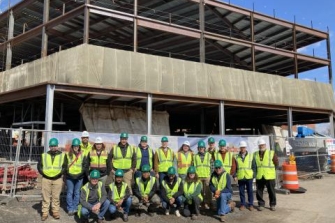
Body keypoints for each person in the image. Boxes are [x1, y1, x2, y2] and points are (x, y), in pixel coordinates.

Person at [38, 138, 68, 221]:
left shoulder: (62, 155)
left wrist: (60, 173)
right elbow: (39, 166)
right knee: (45, 196)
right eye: (51, 146)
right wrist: (43, 173)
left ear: (57, 146)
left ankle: (55, 212)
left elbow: (65, 166)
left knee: (56, 197)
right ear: (49, 146)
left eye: (55, 146)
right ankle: (45, 213)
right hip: (46, 179)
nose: (53, 147)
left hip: (57, 179)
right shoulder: (44, 155)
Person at [253, 139, 278, 211]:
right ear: (258, 146)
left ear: (265, 145)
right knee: (259, 191)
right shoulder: (255, 154)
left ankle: (272, 204)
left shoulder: (271, 153)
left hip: (269, 176)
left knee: (271, 191)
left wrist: (271, 171)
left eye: (262, 145)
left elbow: (276, 163)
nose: (261, 146)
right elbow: (254, 165)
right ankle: (261, 204)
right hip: (260, 175)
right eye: (260, 145)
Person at [234, 141, 256, 211]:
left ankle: (251, 204)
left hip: (249, 176)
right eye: (241, 147)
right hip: (240, 176)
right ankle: (243, 204)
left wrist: (253, 174)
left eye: (243, 147)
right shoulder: (236, 157)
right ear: (240, 148)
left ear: (245, 148)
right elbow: (234, 167)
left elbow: (254, 166)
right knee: (241, 192)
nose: (242, 149)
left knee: (250, 191)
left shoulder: (251, 156)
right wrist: (235, 175)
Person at [66, 138, 86, 216]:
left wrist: (80, 174)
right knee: (70, 192)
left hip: (79, 177)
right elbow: (65, 166)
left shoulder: (82, 154)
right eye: (74, 146)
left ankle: (75, 208)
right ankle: (70, 209)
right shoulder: (68, 155)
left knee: (77, 193)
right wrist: (68, 174)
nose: (76, 147)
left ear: (79, 147)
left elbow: (84, 166)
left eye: (77, 146)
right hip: (70, 177)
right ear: (72, 146)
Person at [193, 140, 212, 210]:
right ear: (198, 148)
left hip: (207, 176)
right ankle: (201, 203)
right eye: (200, 147)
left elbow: (212, 165)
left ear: (204, 148)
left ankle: (208, 203)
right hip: (199, 176)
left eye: (202, 147)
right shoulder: (195, 156)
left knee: (208, 191)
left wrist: (210, 174)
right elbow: (194, 166)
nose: (201, 148)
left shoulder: (209, 155)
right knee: (199, 190)